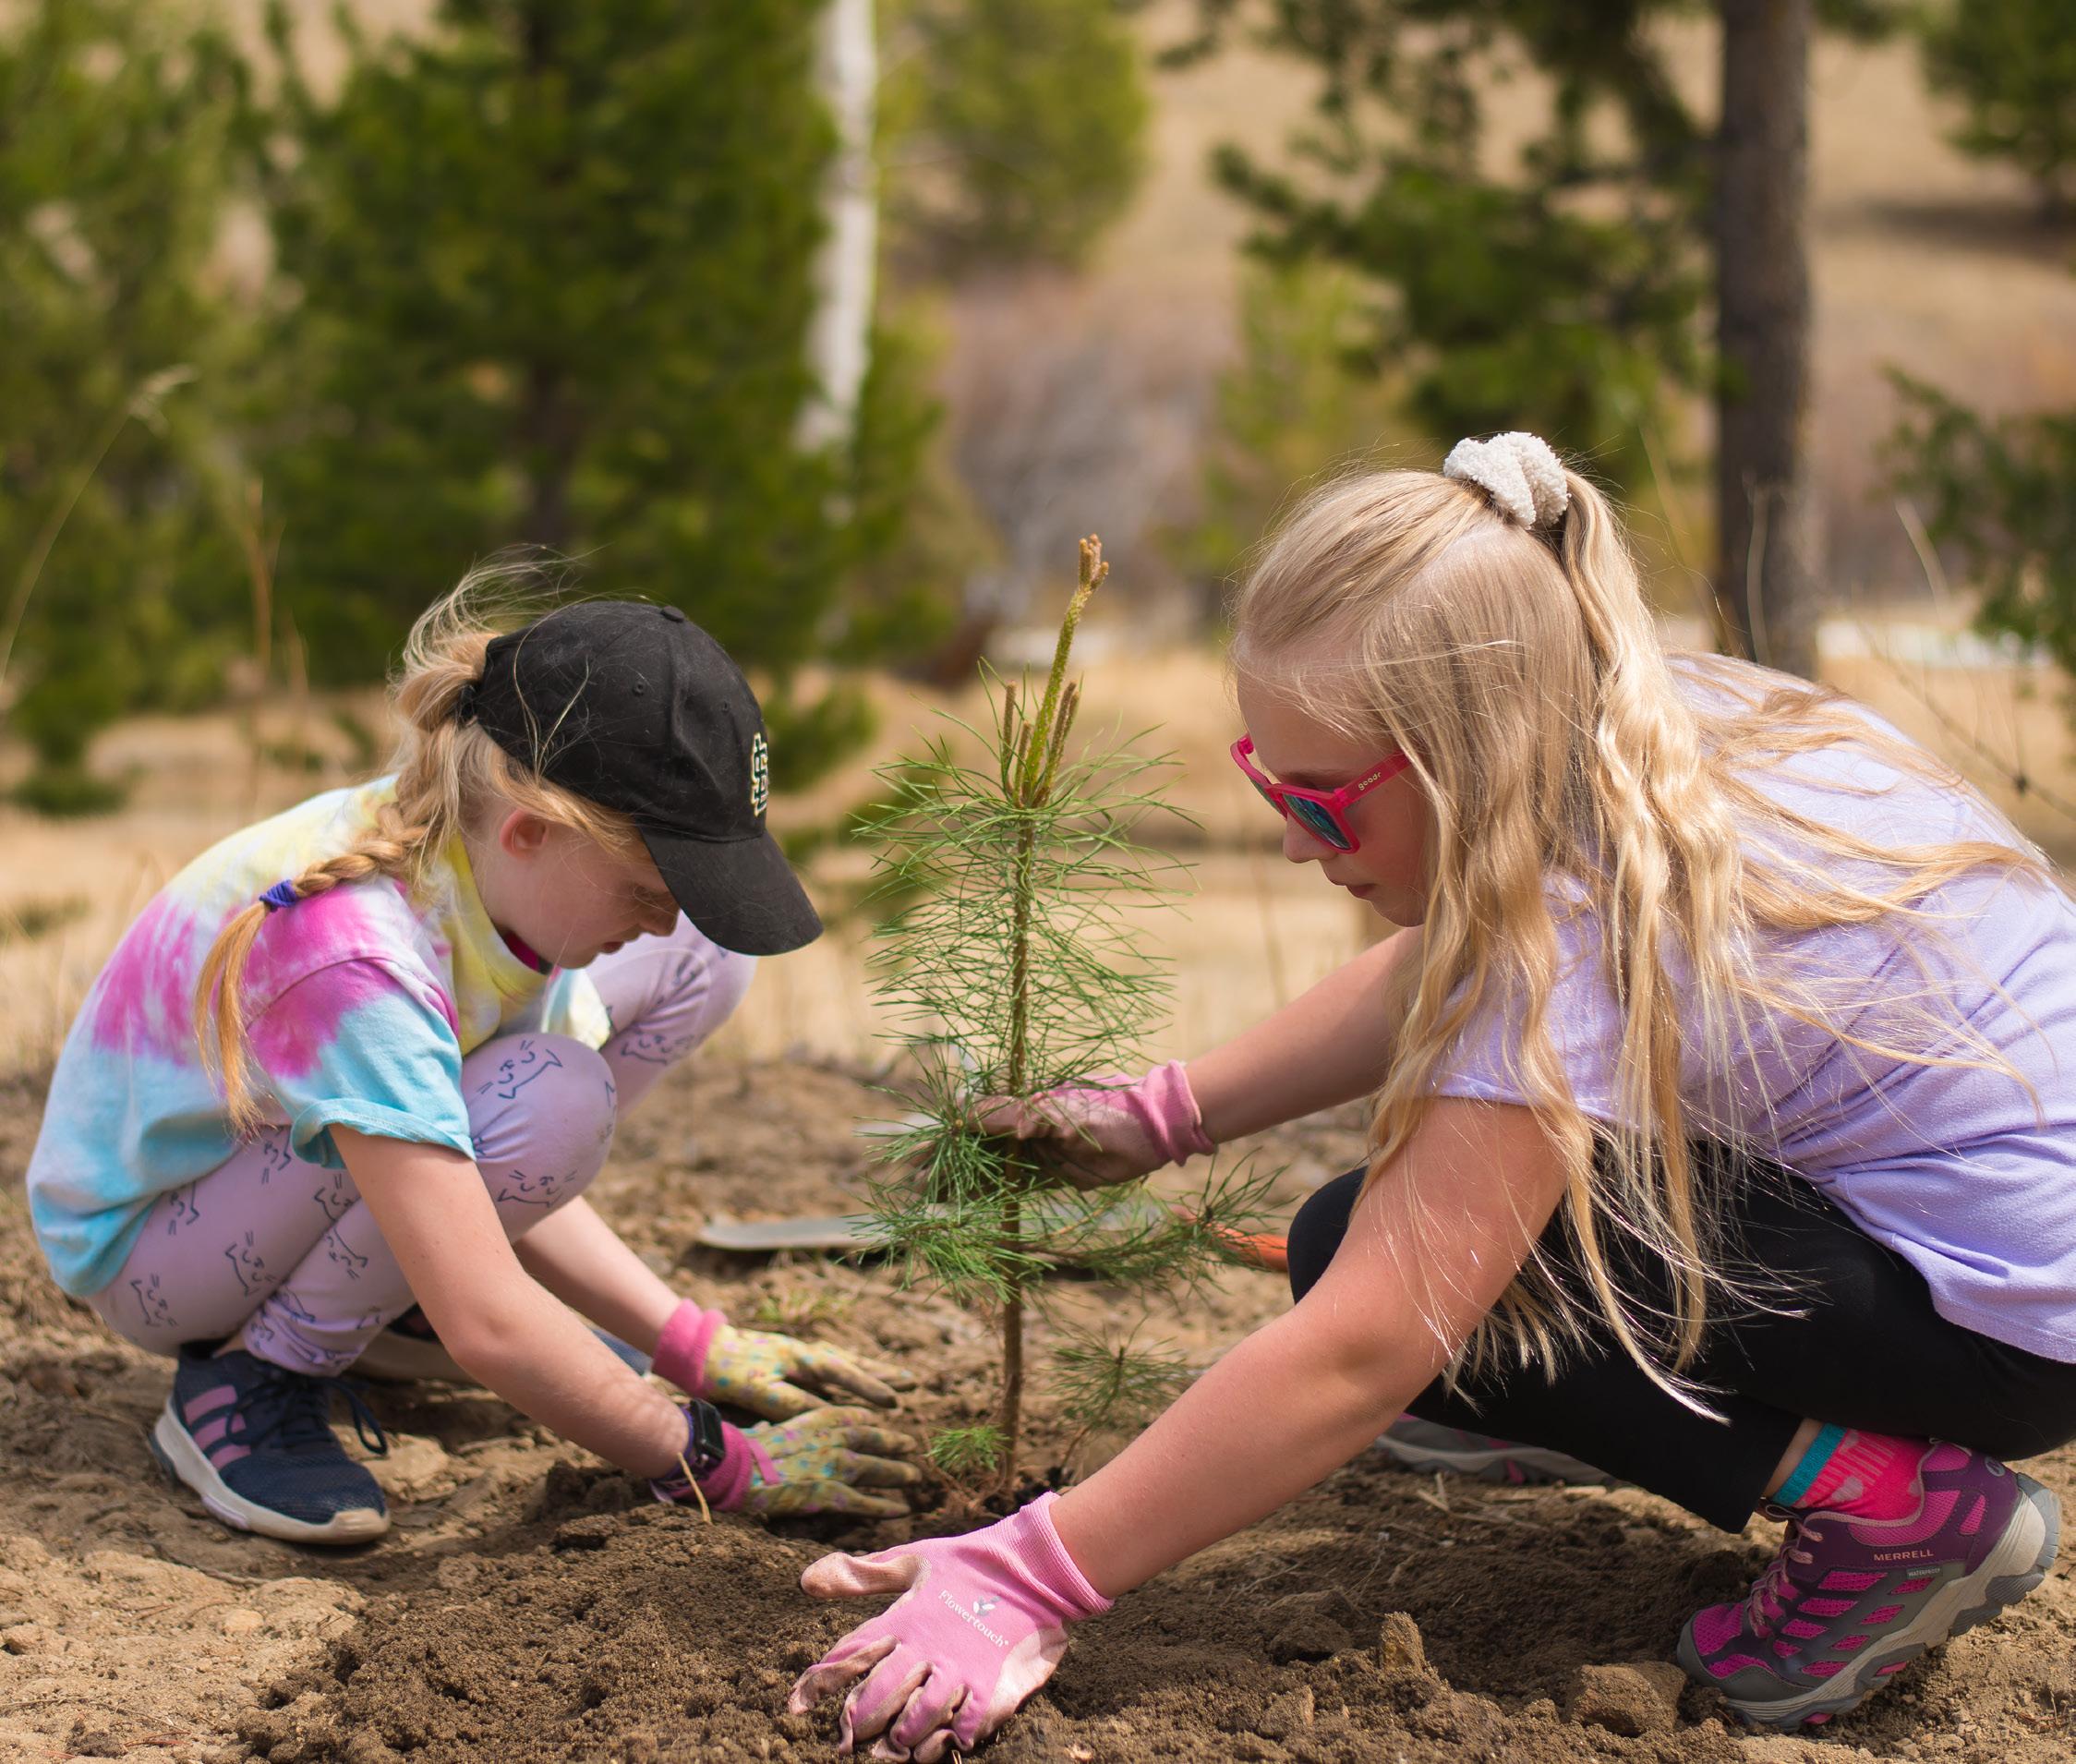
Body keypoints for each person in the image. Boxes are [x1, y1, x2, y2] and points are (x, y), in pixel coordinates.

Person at [785, 433, 2076, 1756]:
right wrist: (1167, 1111)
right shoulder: (1639, 718)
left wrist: (1026, 1574)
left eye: (1324, 803)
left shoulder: (1569, 929)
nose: (1292, 838)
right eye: (1265, 778)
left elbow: (1360, 1350)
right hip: (2004, 1250)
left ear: (1466, 758)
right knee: (1376, 1247)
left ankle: (1902, 1512)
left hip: (2008, 1328)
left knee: (1401, 1283)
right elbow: (1430, 971)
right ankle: (1589, 1403)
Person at [26, 566, 918, 1544]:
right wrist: (714, 1457)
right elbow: (491, 1308)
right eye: (647, 884)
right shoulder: (357, 954)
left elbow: (495, 1156)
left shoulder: (492, 857)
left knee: (701, 957)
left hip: (285, 1170)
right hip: (155, 1244)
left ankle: (386, 1300)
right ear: (533, 829)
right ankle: (257, 1376)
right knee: (556, 1094)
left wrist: (691, 1344)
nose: (661, 911)